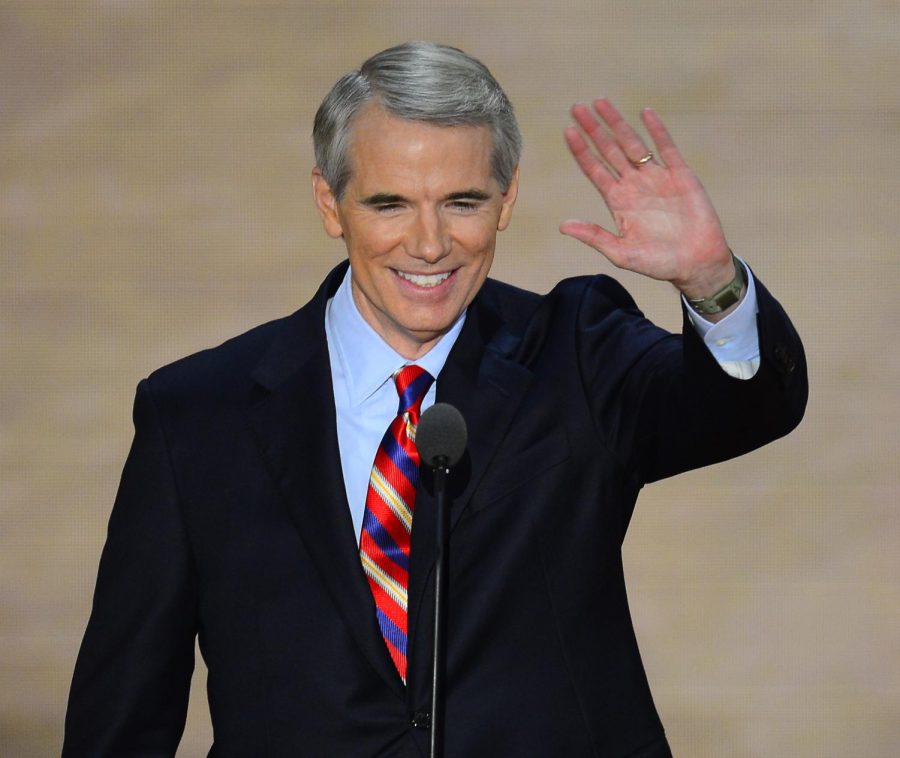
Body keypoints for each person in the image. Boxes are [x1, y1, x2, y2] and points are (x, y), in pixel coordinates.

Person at [63, 41, 807, 757]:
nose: (429, 244)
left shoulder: (575, 353)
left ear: (507, 197)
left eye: (462, 202)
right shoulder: (196, 416)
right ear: (331, 203)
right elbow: (123, 714)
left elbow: (745, 407)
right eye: (389, 203)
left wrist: (712, 282)